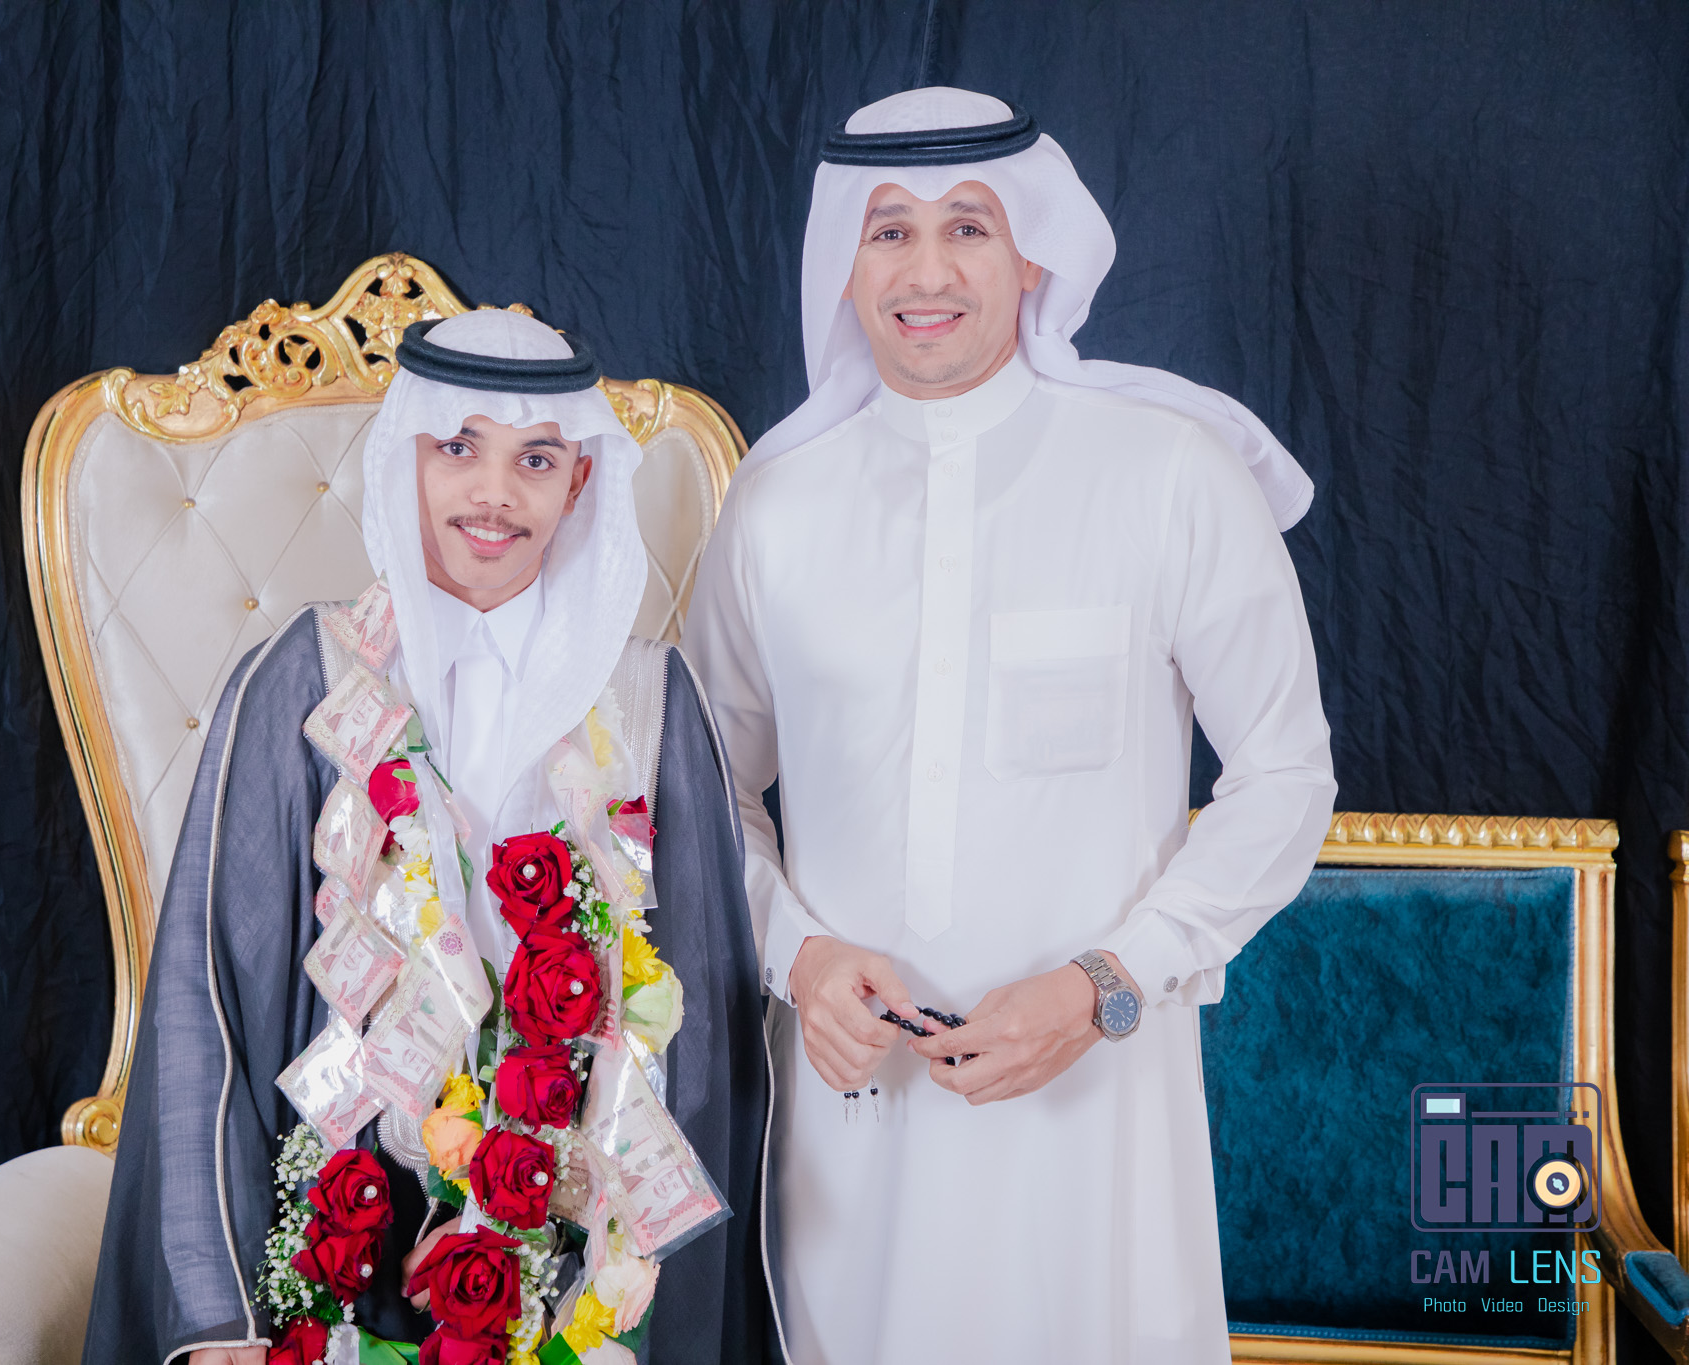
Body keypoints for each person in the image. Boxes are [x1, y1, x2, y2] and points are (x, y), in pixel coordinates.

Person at [682, 87, 1335, 1364]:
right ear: (843, 263)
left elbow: (1283, 778)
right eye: (888, 231)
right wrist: (795, 958)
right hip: (851, 1128)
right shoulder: (772, 510)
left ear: (1033, 251)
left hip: (1094, 1124)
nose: (926, 273)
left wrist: (1104, 987)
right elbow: (700, 798)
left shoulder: (1167, 473)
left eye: (967, 228)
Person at [84, 309, 771, 1365]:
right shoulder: (307, 680)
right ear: (405, 457)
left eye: (534, 459)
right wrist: (220, 1314)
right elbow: (204, 999)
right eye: (458, 448)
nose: (493, 493)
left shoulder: (648, 705)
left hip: (578, 1252)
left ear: (578, 483)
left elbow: (705, 1053)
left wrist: (593, 1273)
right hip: (335, 1236)